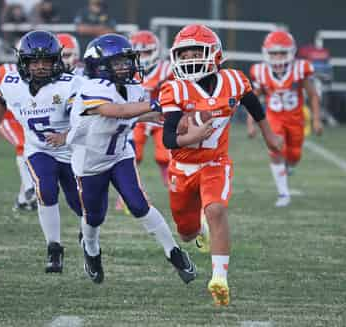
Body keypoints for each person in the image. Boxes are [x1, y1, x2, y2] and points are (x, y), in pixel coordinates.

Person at [159, 24, 282, 306]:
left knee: (216, 210)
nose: (189, 58)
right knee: (186, 233)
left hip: (215, 161)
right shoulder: (174, 89)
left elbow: (252, 103)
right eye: (184, 53)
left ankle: (219, 278)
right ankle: (199, 230)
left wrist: (268, 134)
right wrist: (192, 136)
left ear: (214, 54)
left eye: (195, 52)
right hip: (182, 167)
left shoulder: (234, 81)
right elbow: (168, 139)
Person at [63, 34, 197, 285]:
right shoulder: (90, 88)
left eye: (127, 60)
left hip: (120, 154)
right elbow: (117, 111)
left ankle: (174, 253)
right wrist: (155, 105)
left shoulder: (134, 87)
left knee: (139, 205)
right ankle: (91, 251)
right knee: (94, 217)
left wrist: (165, 117)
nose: (127, 66)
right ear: (101, 66)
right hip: (90, 161)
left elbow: (132, 116)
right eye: (119, 62)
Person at [0, 30, 84, 273]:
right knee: (46, 191)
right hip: (39, 149)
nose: (39, 66)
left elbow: (83, 118)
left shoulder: (71, 83)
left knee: (79, 201)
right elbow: (0, 101)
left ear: (56, 60)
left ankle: (90, 240)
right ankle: (54, 247)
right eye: (34, 61)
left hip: (71, 150)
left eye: (46, 61)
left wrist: (66, 135)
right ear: (23, 62)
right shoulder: (11, 83)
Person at [246, 30, 323, 207]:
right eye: (274, 53)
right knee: (275, 150)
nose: (278, 57)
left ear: (291, 52)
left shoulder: (299, 70)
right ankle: (283, 193)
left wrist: (316, 119)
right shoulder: (261, 72)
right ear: (266, 54)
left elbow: (312, 95)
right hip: (273, 118)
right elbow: (252, 99)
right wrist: (251, 123)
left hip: (296, 119)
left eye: (282, 52)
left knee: (294, 156)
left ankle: (287, 168)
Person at [0, 61, 37, 211]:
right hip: (5, 119)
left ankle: (23, 200)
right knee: (23, 146)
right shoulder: (7, 83)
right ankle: (30, 187)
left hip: (20, 118)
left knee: (32, 153)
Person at [130, 30, 172, 187]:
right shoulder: (126, 71)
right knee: (132, 155)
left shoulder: (167, 69)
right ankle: (127, 193)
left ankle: (173, 188)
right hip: (137, 118)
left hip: (161, 117)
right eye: (138, 53)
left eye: (146, 52)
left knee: (165, 156)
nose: (142, 57)